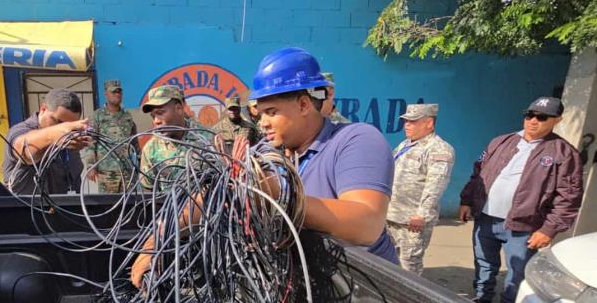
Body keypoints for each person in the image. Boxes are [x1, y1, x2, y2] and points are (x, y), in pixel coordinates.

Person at [131, 48, 398, 287]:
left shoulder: (355, 140)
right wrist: (154, 246)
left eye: (271, 112)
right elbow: (209, 198)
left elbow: (366, 223)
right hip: (307, 293)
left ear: (304, 104)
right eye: (260, 115)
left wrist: (273, 195)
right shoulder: (269, 152)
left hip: (364, 301)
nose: (263, 124)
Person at [458, 96, 583, 303]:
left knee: (517, 272)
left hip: (524, 225)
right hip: (486, 217)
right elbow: (479, 174)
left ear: (557, 120)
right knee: (484, 263)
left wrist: (548, 229)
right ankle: (482, 299)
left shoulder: (563, 153)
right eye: (530, 115)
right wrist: (467, 200)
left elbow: (569, 197)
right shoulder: (501, 142)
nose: (533, 121)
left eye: (542, 117)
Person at [386, 103, 455, 274]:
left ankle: (409, 299)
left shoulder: (439, 149)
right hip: (392, 215)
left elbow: (436, 184)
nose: (407, 125)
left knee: (409, 265)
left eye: (413, 121)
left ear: (429, 123)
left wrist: (421, 214)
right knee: (388, 261)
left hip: (412, 221)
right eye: (406, 121)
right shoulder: (405, 144)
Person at [1, 88, 90, 195]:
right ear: (43, 109)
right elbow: (25, 150)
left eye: (70, 125)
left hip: (64, 207)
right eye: (58, 122)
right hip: (27, 208)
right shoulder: (20, 131)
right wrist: (56, 135)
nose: (65, 129)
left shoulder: (69, 136)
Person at [139, 84, 211, 191]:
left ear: (178, 109)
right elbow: (148, 195)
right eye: (153, 116)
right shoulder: (151, 149)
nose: (156, 121)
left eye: (160, 113)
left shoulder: (208, 140)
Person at [83, 80, 139, 193]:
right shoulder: (97, 116)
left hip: (127, 170)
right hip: (107, 172)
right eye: (114, 92)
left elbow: (134, 143)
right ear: (106, 94)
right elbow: (90, 143)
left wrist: (139, 163)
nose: (117, 94)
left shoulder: (127, 116)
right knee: (109, 205)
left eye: (119, 92)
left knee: (130, 205)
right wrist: (90, 166)